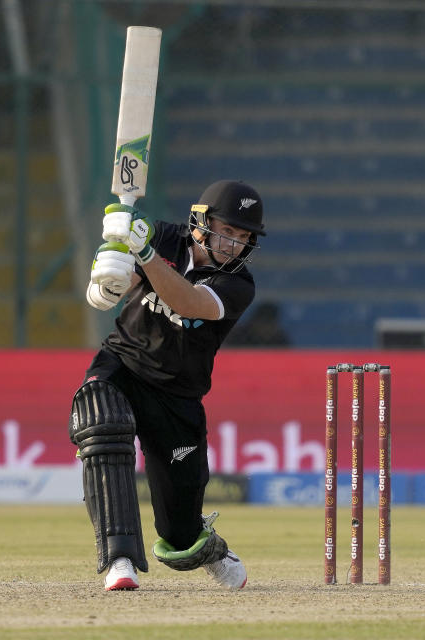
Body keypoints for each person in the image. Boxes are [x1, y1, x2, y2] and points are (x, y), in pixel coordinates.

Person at [69, 180, 266, 591]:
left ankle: (206, 546)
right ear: (200, 221)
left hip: (178, 395)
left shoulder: (239, 284)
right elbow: (111, 265)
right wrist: (105, 272)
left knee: (180, 539)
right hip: (123, 363)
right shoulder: (162, 235)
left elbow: (188, 301)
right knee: (101, 427)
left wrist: (143, 254)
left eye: (243, 237)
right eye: (227, 231)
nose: (233, 244)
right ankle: (119, 559)